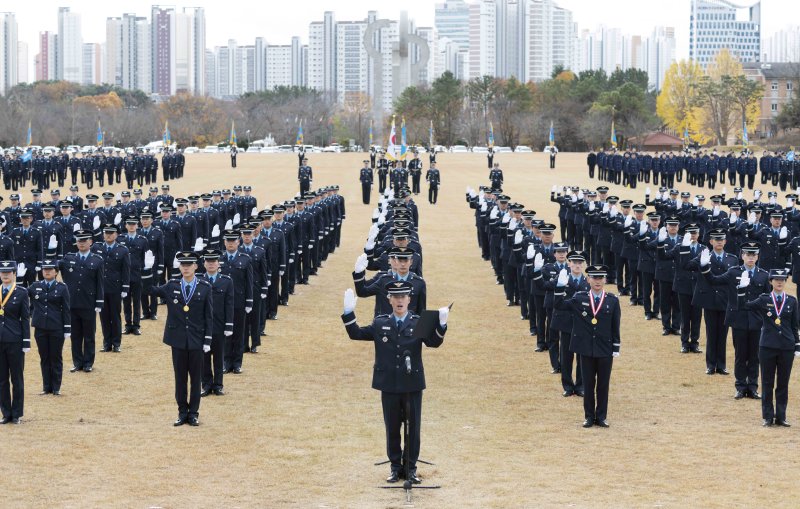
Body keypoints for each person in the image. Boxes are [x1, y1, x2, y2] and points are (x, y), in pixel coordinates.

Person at [340, 281, 448, 484]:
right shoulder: (380, 323)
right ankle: (395, 467)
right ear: (389, 300)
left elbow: (434, 342)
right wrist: (348, 313)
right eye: (395, 297)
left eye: (403, 297)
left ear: (409, 299)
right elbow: (356, 334)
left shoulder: (418, 322)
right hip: (389, 384)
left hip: (412, 384)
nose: (399, 301)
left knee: (413, 428)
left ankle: (411, 468)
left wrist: (441, 325)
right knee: (392, 427)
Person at [149, 251, 213, 426]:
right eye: (182, 264)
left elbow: (209, 316)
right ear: (179, 266)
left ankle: (193, 413)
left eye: (189, 264)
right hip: (177, 339)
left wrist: (207, 340)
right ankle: (182, 412)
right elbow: (151, 290)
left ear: (195, 266)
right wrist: (148, 271)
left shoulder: (204, 287)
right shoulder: (172, 285)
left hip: (197, 339)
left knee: (195, 378)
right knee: (180, 379)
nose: (185, 267)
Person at [554, 264, 621, 428]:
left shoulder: (612, 300)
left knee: (603, 385)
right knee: (588, 384)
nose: (597, 281)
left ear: (605, 280)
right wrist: (560, 287)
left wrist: (616, 347)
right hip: (586, 348)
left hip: (604, 349)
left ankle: (602, 416)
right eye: (594, 278)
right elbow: (559, 305)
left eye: (600, 278)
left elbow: (615, 325)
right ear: (588, 279)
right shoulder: (579, 298)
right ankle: (589, 417)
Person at [703, 242, 769, 399]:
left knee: (754, 356)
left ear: (757, 256)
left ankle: (752, 386)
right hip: (738, 318)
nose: (751, 258)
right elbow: (714, 280)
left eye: (753, 255)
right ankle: (740, 386)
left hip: (756, 320)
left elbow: (767, 300)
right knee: (740, 355)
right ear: (742, 256)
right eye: (748, 254)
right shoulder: (733, 272)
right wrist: (705, 266)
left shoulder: (763, 275)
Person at [739, 269, 800, 427]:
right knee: (767, 382)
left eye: (782, 279)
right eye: (776, 279)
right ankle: (767, 416)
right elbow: (744, 305)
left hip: (786, 347)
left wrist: (797, 345)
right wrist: (742, 290)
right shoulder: (763, 299)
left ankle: (781, 416)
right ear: (770, 281)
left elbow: (795, 326)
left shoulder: (792, 301)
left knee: (783, 383)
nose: (779, 282)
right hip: (767, 346)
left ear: (785, 282)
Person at [58, 230, 104, 373]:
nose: (82, 243)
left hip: (89, 303)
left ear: (90, 242)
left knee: (89, 335)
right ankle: (77, 362)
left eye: (84, 240)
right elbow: (53, 268)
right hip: (72, 303)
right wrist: (51, 250)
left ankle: (88, 362)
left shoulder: (97, 260)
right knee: (75, 336)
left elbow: (100, 283)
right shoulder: (68, 259)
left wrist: (99, 303)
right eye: (79, 241)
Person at [28, 260, 70, 396]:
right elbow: (19, 293)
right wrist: (20, 279)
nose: (46, 271)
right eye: (44, 269)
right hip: (40, 327)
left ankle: (56, 387)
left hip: (56, 327)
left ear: (56, 272)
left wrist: (67, 328)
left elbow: (66, 310)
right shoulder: (35, 286)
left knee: (56, 357)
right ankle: (46, 386)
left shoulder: (62, 288)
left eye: (50, 269)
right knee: (44, 357)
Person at [198, 250, 234, 397]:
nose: (211, 264)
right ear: (204, 263)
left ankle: (218, 385)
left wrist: (229, 325)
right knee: (204, 358)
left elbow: (229, 304)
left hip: (219, 325)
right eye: (208, 261)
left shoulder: (226, 281)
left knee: (219, 357)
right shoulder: (198, 280)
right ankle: (206, 384)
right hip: (202, 326)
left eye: (214, 261)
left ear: (218, 263)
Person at [0, 261, 31, 424]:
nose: (5, 275)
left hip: (15, 340)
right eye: (3, 272)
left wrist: (26, 341)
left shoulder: (21, 292)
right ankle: (6, 413)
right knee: (2, 379)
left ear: (14, 274)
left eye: (9, 272)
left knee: (17, 378)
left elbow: (25, 318)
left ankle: (17, 413)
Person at [92, 224, 131, 353]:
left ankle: (116, 343)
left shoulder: (123, 250)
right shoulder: (97, 248)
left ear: (116, 234)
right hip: (101, 288)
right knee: (104, 317)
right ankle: (107, 343)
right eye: (106, 232)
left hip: (115, 288)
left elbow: (126, 270)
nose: (108, 235)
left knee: (115, 316)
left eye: (111, 232)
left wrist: (125, 288)